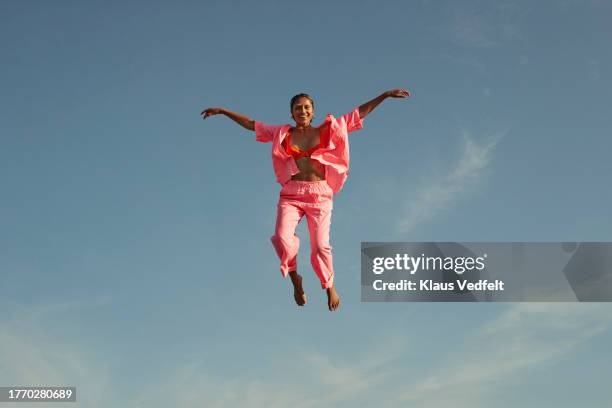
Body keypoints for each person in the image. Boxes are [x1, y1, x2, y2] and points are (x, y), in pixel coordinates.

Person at [201, 88, 410, 311]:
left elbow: (358, 113)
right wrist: (224, 111)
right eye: (298, 108)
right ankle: (295, 280)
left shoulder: (329, 129)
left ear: (313, 112)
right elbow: (252, 124)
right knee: (282, 237)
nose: (302, 111)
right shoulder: (282, 133)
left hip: (320, 196)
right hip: (291, 194)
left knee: (320, 246)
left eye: (307, 107)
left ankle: (329, 285)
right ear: (292, 113)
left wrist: (384, 96)